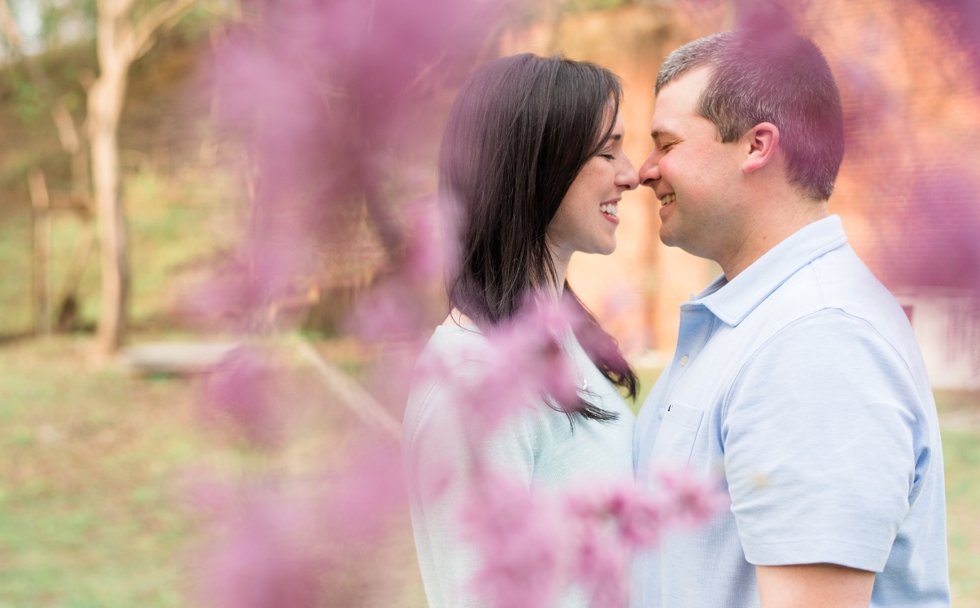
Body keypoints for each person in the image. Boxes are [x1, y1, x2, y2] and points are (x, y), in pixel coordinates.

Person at [631, 31, 950, 608]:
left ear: (757, 146)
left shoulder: (817, 342)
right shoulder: (756, 320)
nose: (644, 170)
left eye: (666, 143)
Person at [402, 53, 641, 608]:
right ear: (535, 166)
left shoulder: (563, 343)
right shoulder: (473, 380)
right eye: (607, 152)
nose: (629, 174)